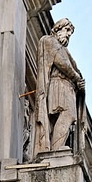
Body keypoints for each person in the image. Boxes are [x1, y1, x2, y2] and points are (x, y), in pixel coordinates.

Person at [34, 18, 85, 155]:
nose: (68, 34)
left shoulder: (64, 49)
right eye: (67, 30)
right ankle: (56, 150)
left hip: (67, 87)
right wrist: (76, 77)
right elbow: (61, 62)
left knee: (67, 116)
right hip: (58, 84)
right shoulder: (50, 41)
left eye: (70, 32)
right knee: (67, 114)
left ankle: (55, 148)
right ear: (58, 28)